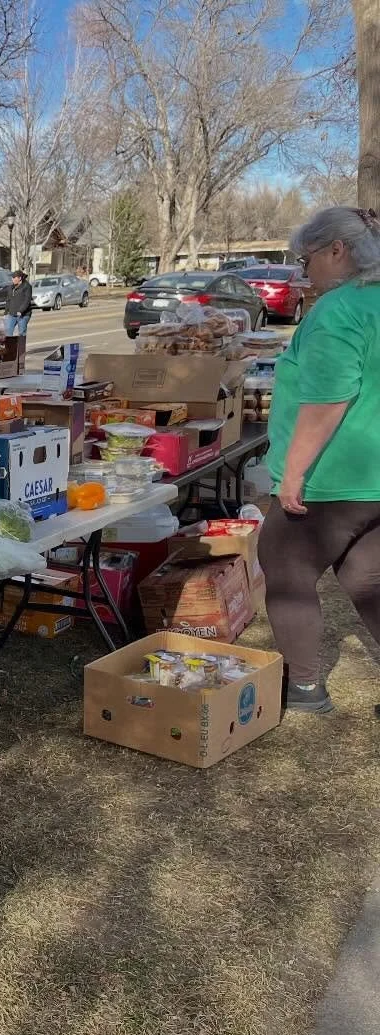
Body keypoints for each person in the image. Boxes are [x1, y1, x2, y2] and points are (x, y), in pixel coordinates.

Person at [257, 206, 380, 714]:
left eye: (306, 259)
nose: (303, 271)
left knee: (286, 572)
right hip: (373, 481)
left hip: (332, 480)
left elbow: (329, 400)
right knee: (364, 578)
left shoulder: (339, 310)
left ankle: (304, 687)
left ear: (338, 250)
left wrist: (293, 472)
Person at [5, 270, 33, 339]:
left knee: (21, 333)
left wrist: (21, 311)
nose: (12, 279)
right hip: (12, 314)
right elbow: (8, 300)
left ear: (20, 278)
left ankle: (21, 349)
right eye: (12, 277)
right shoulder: (11, 287)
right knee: (8, 331)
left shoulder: (27, 286)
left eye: (14, 277)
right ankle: (10, 348)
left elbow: (27, 300)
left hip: (23, 315)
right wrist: (6, 312)